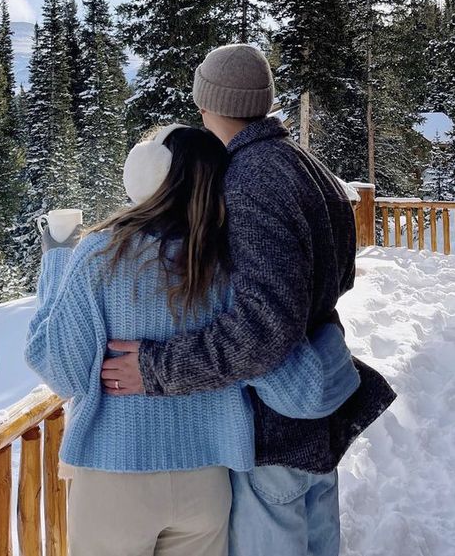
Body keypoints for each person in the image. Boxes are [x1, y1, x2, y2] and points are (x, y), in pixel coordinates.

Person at [100, 43, 396, 556]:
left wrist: (156, 369)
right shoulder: (306, 165)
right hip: (317, 402)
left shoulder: (250, 179)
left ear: (210, 104)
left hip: (275, 426)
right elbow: (336, 278)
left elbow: (263, 328)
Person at [25, 124, 361, 556]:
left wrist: (55, 260)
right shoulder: (224, 263)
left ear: (148, 175)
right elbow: (256, 349)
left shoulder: (100, 255)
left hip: (116, 474)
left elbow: (63, 371)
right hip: (207, 482)